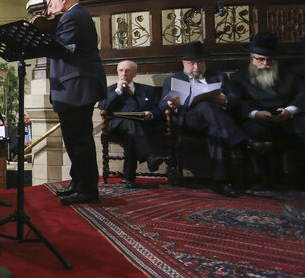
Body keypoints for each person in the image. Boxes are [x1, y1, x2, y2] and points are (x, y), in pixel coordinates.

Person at [158, 41, 271, 198]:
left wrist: (225, 100)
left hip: (218, 123)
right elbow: (162, 104)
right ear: (184, 62)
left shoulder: (218, 76)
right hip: (189, 122)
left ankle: (221, 183)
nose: (196, 67)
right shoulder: (176, 80)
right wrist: (171, 103)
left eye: (200, 62)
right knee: (204, 105)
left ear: (205, 61)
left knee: (215, 130)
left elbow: (235, 97)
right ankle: (245, 142)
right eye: (191, 63)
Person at [30, 0, 107, 205]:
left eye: (51, 4)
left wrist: (37, 35)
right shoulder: (73, 16)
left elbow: (61, 47)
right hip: (73, 87)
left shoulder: (74, 16)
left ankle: (87, 190)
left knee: (79, 140)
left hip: (77, 86)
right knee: (74, 140)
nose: (49, 10)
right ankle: (78, 183)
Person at [226, 33, 305, 190]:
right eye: (260, 59)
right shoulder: (238, 78)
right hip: (257, 118)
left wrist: (289, 111)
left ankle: (299, 178)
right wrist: (255, 114)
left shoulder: (291, 75)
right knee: (256, 132)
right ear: (251, 59)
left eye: (270, 59)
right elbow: (236, 102)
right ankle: (263, 178)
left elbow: (303, 94)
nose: (265, 64)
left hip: (287, 117)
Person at [98, 60, 163, 188]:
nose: (124, 73)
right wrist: (118, 91)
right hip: (117, 125)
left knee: (131, 133)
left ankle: (128, 178)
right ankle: (149, 156)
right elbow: (103, 107)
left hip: (141, 126)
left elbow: (158, 109)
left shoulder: (147, 90)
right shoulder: (110, 90)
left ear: (135, 73)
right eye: (121, 70)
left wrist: (151, 113)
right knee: (130, 124)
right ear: (117, 72)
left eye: (128, 70)